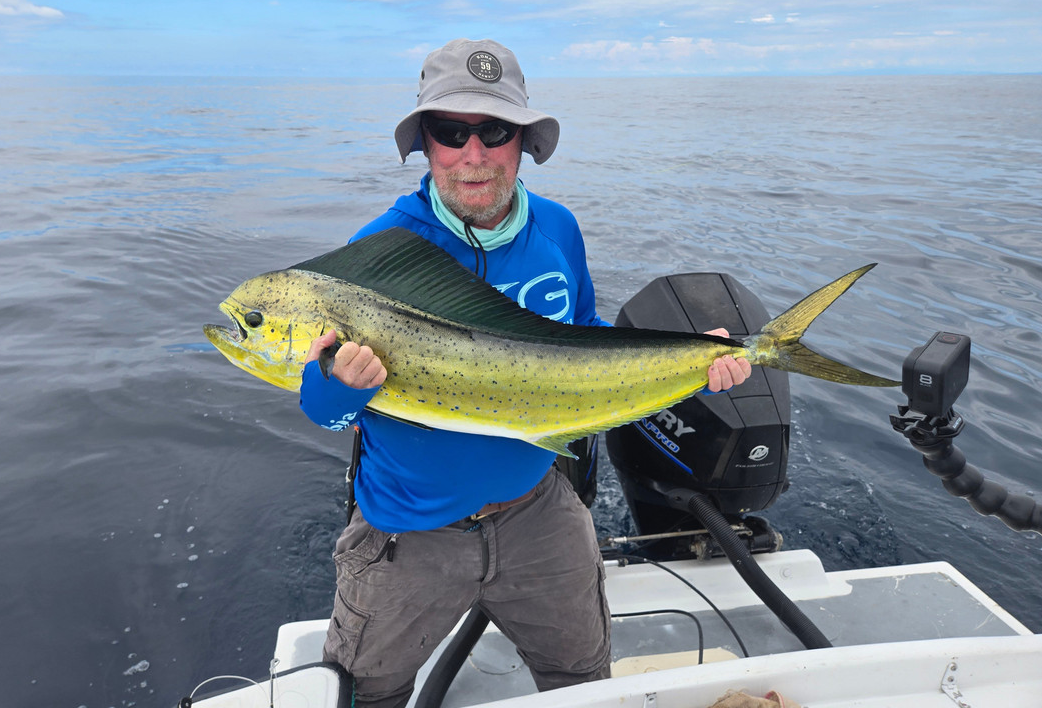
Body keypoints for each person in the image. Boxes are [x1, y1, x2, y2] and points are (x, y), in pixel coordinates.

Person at [298, 38, 751, 708]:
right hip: (409, 532)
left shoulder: (559, 230)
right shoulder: (377, 256)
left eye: (495, 131)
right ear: (425, 142)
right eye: (452, 132)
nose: (473, 155)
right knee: (368, 695)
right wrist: (338, 383)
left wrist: (688, 355)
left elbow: (584, 342)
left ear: (524, 142)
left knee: (582, 684)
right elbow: (321, 408)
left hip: (539, 512)